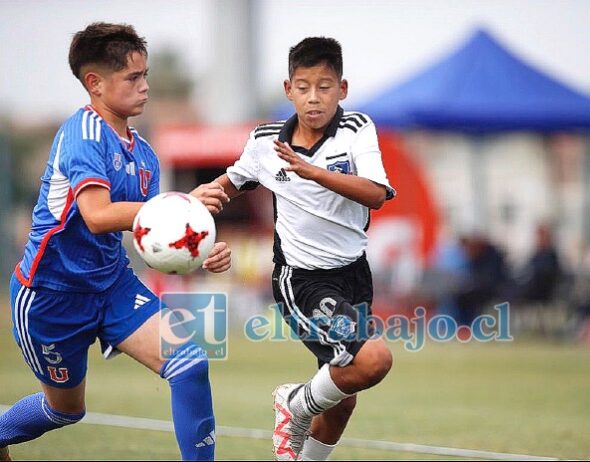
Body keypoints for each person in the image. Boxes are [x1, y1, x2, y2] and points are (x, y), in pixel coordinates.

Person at [0, 23, 231, 461]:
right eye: (133, 78)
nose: (145, 87)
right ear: (95, 83)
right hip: (50, 296)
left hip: (112, 286)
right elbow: (99, 215)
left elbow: (154, 237)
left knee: (190, 365)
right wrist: (180, 201)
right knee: (65, 411)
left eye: (146, 76)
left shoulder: (143, 154)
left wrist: (199, 247)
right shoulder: (82, 134)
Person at [214, 37, 395, 461]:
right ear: (288, 89)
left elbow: (375, 193)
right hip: (303, 280)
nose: (314, 97)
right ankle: (294, 402)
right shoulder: (264, 142)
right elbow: (226, 187)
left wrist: (312, 172)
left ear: (342, 89)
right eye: (304, 86)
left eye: (325, 86)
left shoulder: (357, 129)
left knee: (344, 397)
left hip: (354, 274)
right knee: (373, 361)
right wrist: (196, 227)